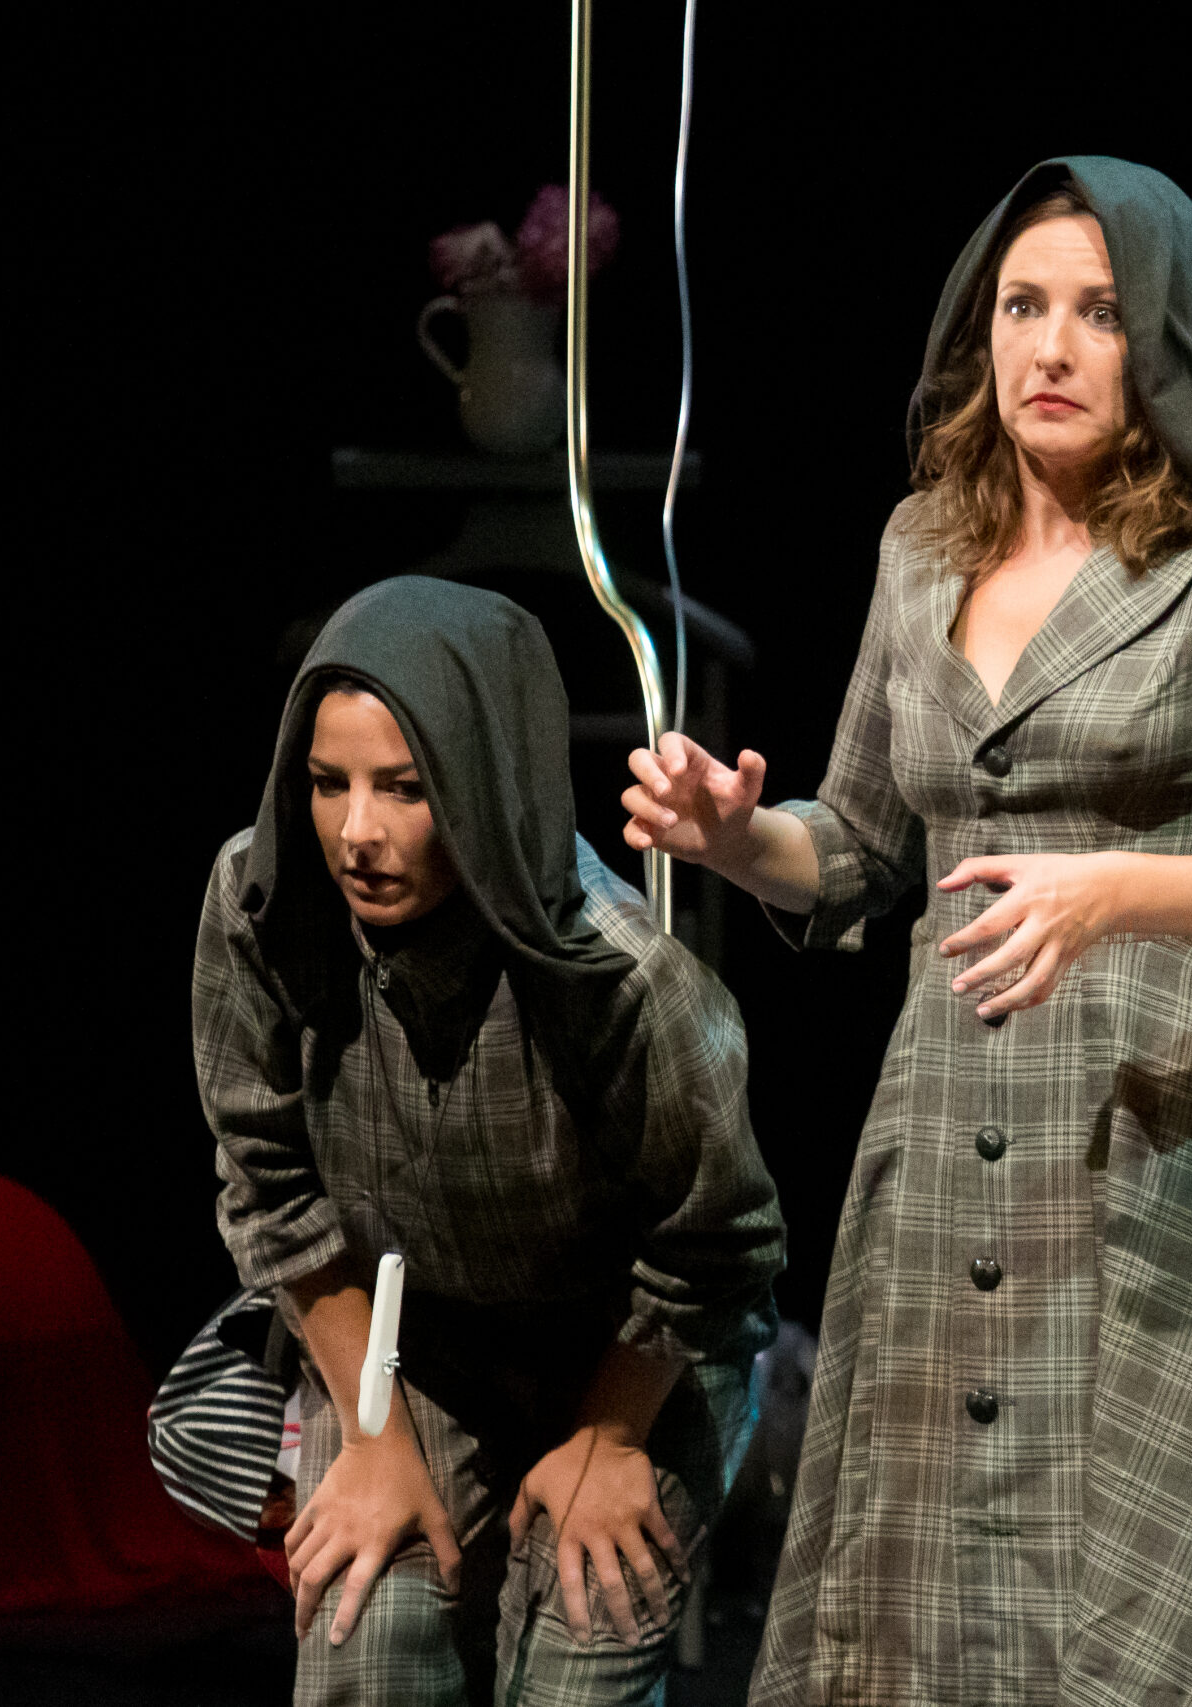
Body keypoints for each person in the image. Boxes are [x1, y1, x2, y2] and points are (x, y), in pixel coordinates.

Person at [620, 159, 1192, 1705]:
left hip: (1167, 1128)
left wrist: (1116, 892)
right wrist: (734, 838)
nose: (1051, 346)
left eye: (1099, 313)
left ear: (1165, 338)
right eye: (1022, 306)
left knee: (1122, 1596)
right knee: (931, 1595)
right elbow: (856, 849)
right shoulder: (925, 547)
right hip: (948, 1116)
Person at [196, 576, 785, 1706]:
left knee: (581, 1640)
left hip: (632, 1352)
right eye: (327, 783)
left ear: (487, 777)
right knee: (368, 1634)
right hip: (407, 1346)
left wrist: (612, 1437)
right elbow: (268, 1184)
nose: (356, 833)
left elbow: (719, 1247)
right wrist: (370, 1431)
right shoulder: (265, 906)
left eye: (405, 788)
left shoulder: (622, 980)